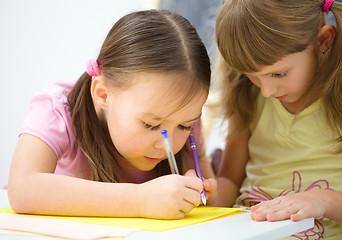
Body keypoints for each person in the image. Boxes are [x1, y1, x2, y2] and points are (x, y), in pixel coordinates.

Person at [7, 9, 217, 220]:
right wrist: (140, 200)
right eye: (150, 124)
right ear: (103, 95)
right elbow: (22, 188)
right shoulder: (58, 108)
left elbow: (211, 203)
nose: (168, 145)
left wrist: (194, 192)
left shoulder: (183, 113)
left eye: (184, 126)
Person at [213, 0, 342, 238]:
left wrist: (325, 201)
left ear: (324, 40)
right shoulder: (247, 93)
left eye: (278, 73)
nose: (266, 91)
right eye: (252, 75)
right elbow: (229, 180)